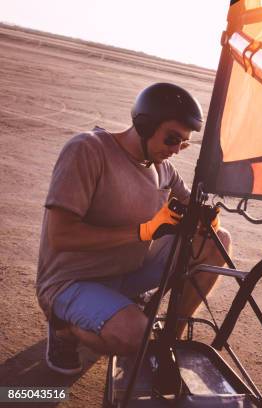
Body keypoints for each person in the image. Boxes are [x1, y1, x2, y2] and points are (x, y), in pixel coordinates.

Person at [36, 83, 230, 375]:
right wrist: (142, 231)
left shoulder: (162, 168)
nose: (176, 150)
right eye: (172, 139)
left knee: (218, 240)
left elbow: (192, 207)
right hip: (70, 282)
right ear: (145, 124)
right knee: (135, 335)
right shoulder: (88, 150)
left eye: (183, 143)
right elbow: (61, 236)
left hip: (126, 272)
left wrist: (205, 217)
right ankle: (65, 331)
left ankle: (168, 339)